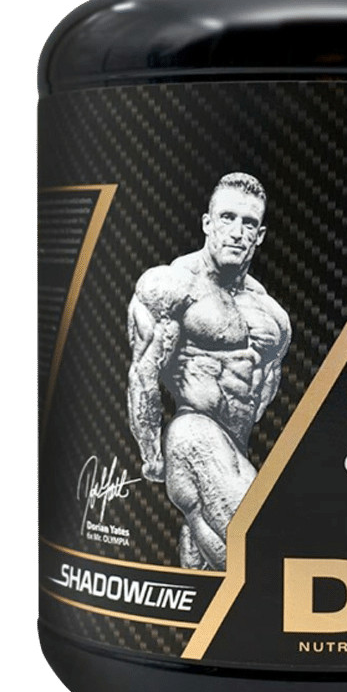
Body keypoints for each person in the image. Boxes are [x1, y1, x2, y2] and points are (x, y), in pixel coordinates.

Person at [127, 173, 291, 570]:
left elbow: (263, 389)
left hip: (234, 446)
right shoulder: (172, 286)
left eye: (248, 223)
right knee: (256, 547)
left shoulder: (272, 316)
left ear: (260, 235)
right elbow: (143, 374)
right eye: (227, 218)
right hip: (191, 432)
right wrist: (152, 454)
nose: (236, 232)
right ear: (207, 223)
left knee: (212, 566)